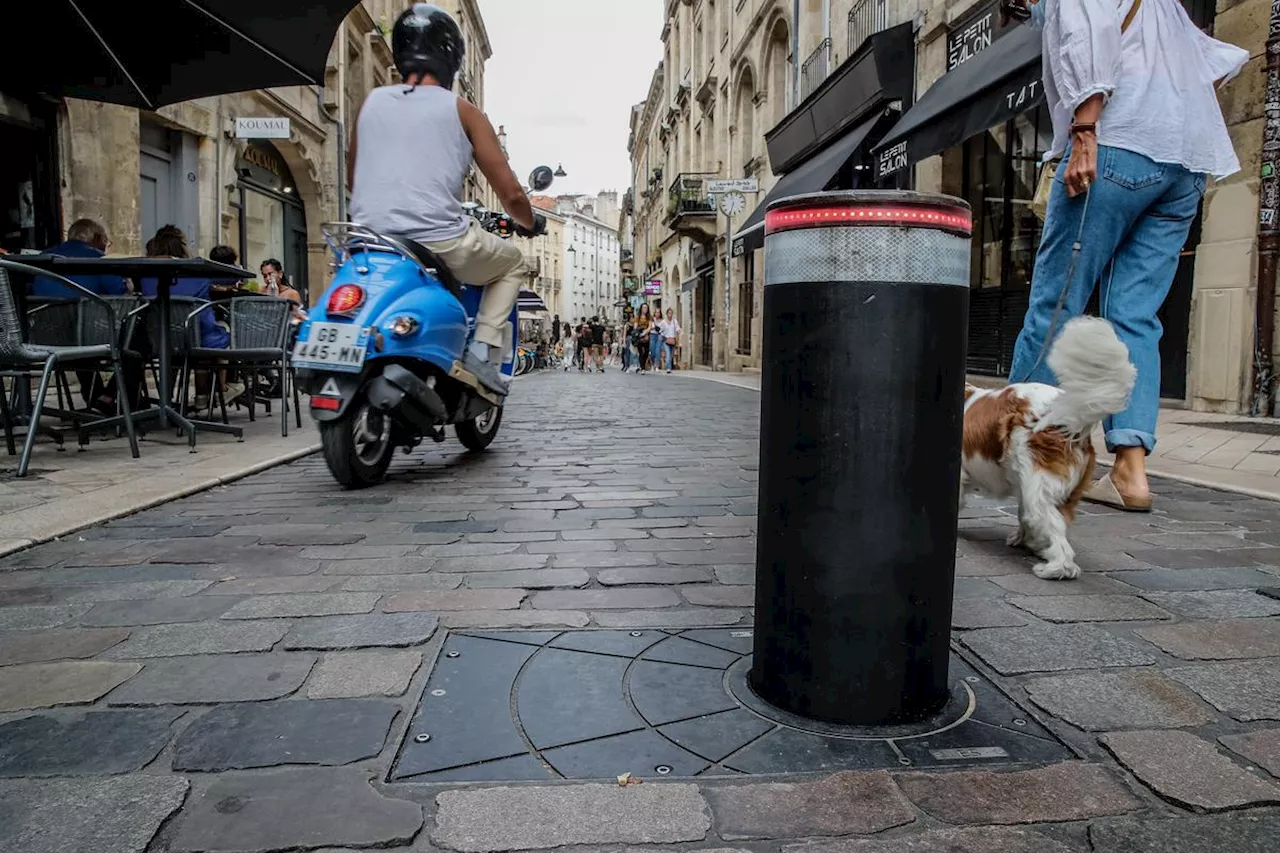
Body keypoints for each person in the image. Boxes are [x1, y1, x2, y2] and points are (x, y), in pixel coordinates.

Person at [1001, 0, 1247, 512]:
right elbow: (1212, 63)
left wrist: (1085, 131)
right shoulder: (1168, 9)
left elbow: (1086, 33)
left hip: (1114, 144)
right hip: (1183, 162)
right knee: (1133, 314)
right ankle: (1132, 474)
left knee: (1057, 303)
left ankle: (1020, 452)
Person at [347, 4, 546, 394]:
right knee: (513, 265)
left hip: (368, 239)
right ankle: (481, 349)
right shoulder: (463, 110)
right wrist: (530, 221)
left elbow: (353, 175)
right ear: (452, 56)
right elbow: (510, 193)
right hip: (437, 240)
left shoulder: (371, 103)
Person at [140, 225, 243, 411]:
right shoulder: (197, 273)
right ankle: (211, 392)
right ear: (182, 246)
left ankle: (167, 401)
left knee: (181, 342)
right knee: (213, 332)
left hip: (157, 340)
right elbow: (226, 280)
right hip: (193, 339)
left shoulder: (145, 276)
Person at [30, 218, 129, 299]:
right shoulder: (99, 259)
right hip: (85, 319)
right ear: (97, 238)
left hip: (43, 317)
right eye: (105, 241)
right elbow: (120, 293)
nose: (105, 246)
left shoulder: (44, 255)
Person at [633, 304, 653, 375]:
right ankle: (642, 368)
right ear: (641, 308)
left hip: (646, 335)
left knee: (646, 352)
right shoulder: (637, 317)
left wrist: (645, 332)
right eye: (644, 307)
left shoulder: (649, 317)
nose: (645, 309)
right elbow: (635, 326)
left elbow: (650, 326)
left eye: (646, 308)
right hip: (639, 336)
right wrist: (638, 332)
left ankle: (642, 365)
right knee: (641, 352)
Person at [660, 307, 680, 374]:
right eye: (669, 313)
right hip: (666, 340)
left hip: (673, 340)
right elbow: (660, 330)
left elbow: (678, 329)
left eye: (671, 313)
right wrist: (662, 335)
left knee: (671, 355)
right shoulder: (663, 322)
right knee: (668, 354)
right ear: (666, 314)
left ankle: (669, 367)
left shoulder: (674, 321)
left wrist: (679, 332)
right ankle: (668, 368)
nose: (670, 315)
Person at [647, 304, 663, 372]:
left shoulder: (662, 321)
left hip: (659, 336)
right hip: (652, 335)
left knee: (658, 351)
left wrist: (660, 329)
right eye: (656, 312)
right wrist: (654, 328)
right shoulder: (652, 320)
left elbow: (663, 329)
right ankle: (652, 364)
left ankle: (657, 366)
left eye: (658, 312)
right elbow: (649, 328)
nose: (657, 314)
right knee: (652, 351)